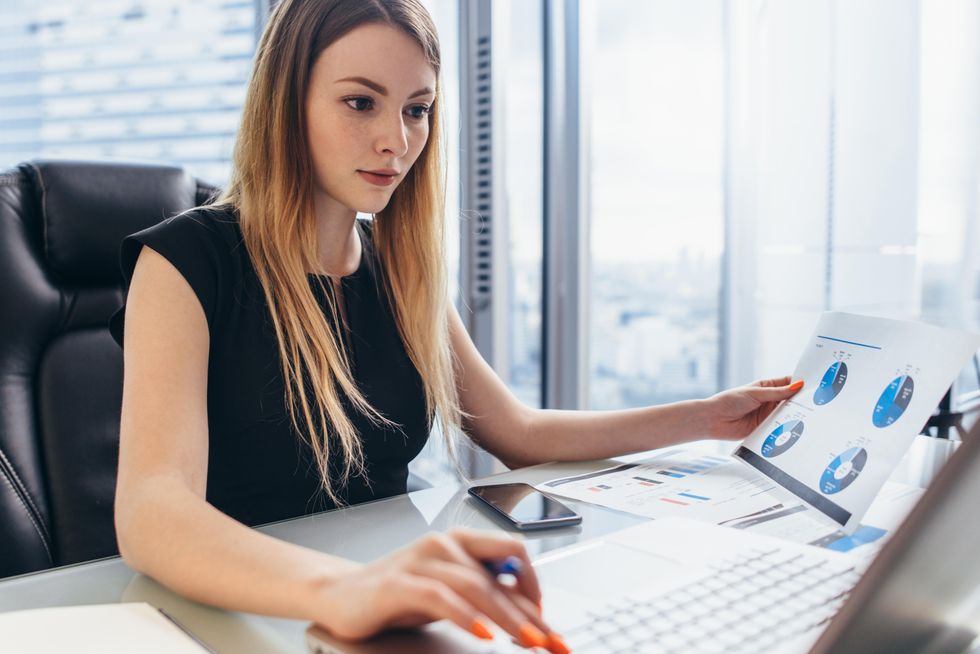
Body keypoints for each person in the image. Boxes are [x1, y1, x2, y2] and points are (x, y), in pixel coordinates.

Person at [109, 0, 803, 651]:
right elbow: (152, 511)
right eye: (360, 102)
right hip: (235, 612)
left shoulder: (399, 268)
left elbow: (518, 432)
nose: (396, 140)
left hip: (378, 608)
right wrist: (345, 589)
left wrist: (706, 418)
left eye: (417, 110)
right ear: (286, 104)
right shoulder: (185, 261)